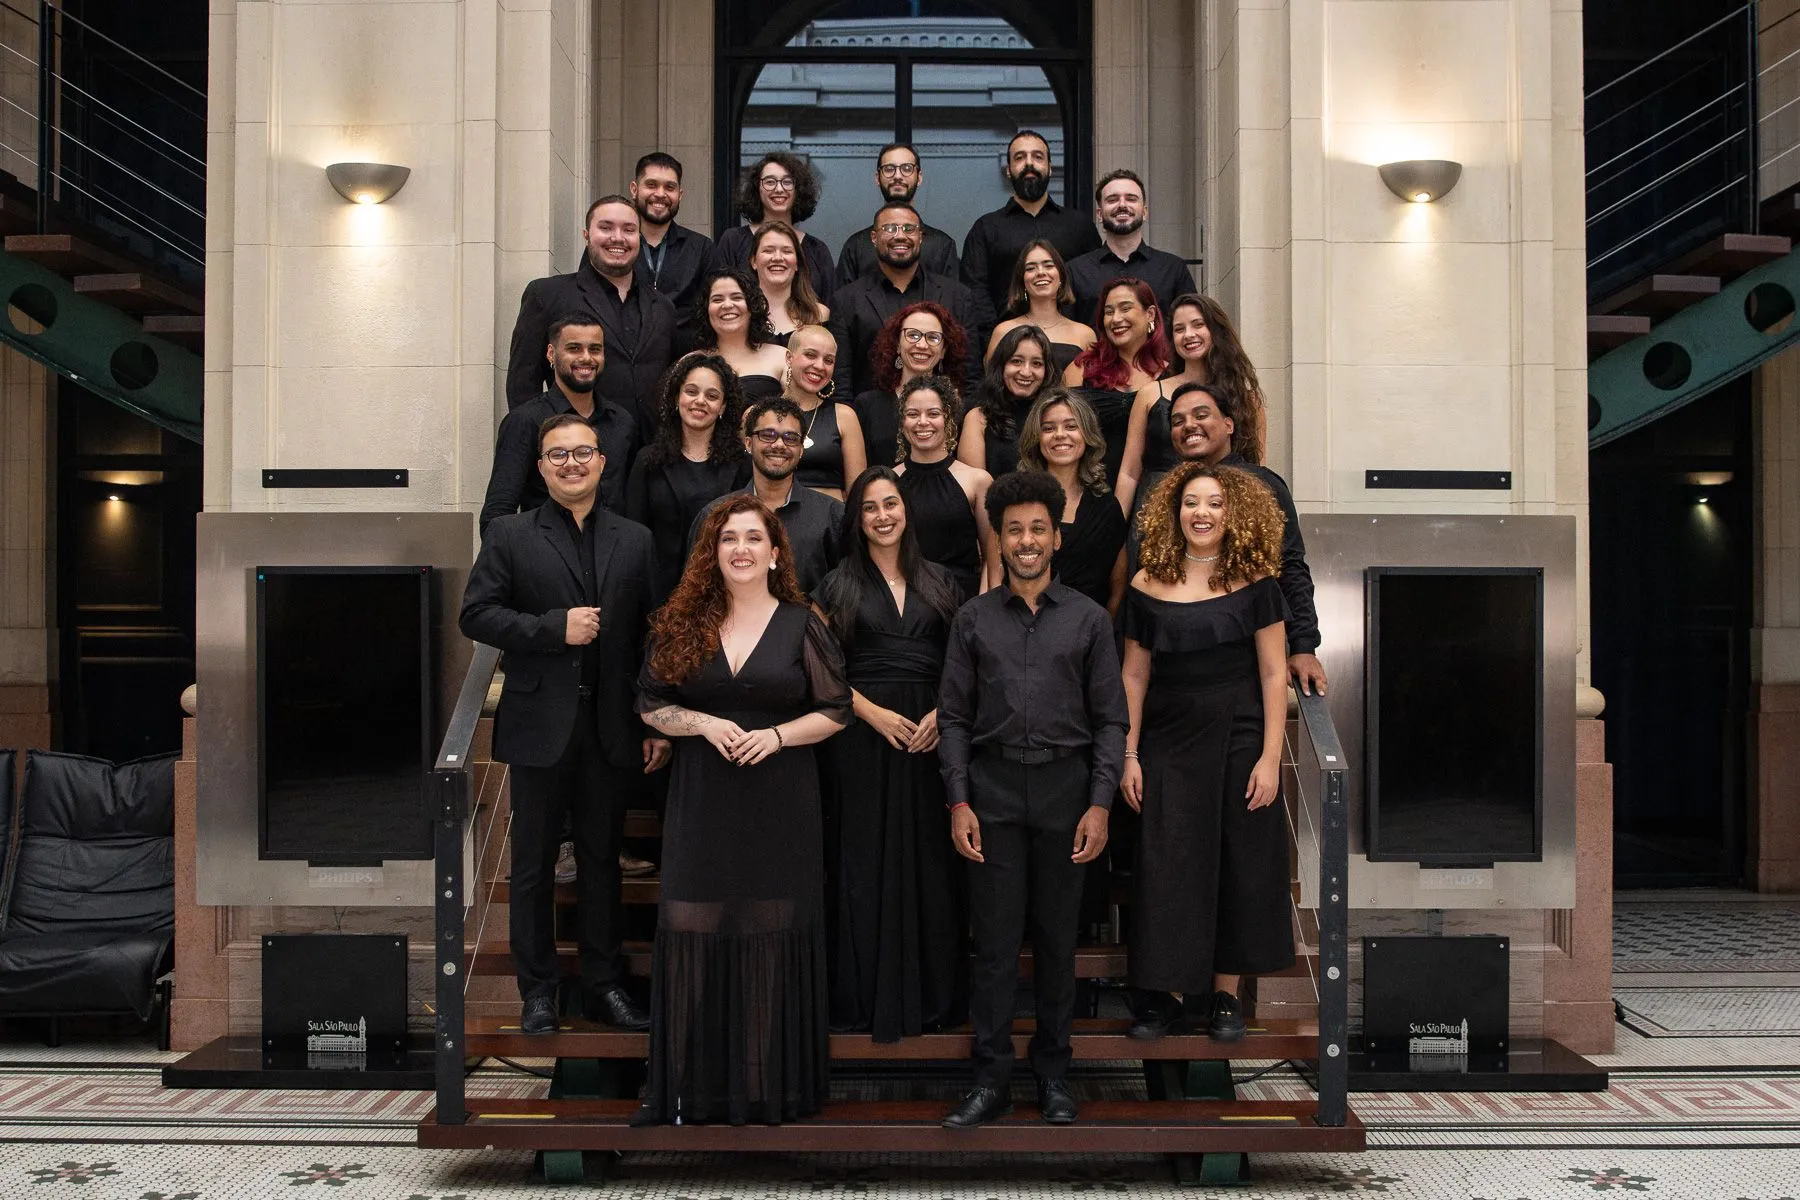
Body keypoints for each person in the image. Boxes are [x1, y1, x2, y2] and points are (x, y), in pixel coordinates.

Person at [635, 495, 852, 1124]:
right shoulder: (683, 620)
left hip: (780, 798)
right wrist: (703, 723)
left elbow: (836, 710)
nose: (741, 549)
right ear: (712, 551)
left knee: (768, 938)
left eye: (754, 538)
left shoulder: (802, 622)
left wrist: (778, 736)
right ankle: (678, 1089)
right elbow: (650, 702)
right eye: (728, 538)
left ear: (776, 552)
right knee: (691, 929)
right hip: (703, 798)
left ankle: (762, 1090)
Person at [459, 413, 665, 1036]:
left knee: (601, 861)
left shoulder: (635, 539)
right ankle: (538, 992)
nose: (571, 464)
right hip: (538, 726)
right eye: (557, 455)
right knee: (533, 866)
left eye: (582, 453)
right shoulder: (510, 535)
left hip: (611, 727)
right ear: (541, 468)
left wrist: (654, 717)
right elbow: (476, 614)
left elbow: (653, 634)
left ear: (602, 461)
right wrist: (554, 628)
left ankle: (604, 986)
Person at [937, 469, 1129, 1130]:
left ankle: (1053, 1076)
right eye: (1014, 529)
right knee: (993, 947)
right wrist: (959, 801)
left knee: (1056, 944)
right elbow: (953, 717)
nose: (1025, 540)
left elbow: (1111, 719)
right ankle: (989, 1080)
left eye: (1037, 529)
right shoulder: (972, 619)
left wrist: (1099, 804)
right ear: (999, 538)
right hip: (990, 793)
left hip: (1066, 795)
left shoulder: (1089, 620)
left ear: (1056, 538)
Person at [1119, 463, 1294, 1041]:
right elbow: (1134, 676)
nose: (1201, 513)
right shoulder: (1147, 581)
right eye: (1191, 502)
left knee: (1238, 865)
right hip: (1167, 740)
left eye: (1214, 503)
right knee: (1168, 866)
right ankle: (1166, 996)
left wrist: (1270, 758)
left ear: (1232, 512)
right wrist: (1129, 754)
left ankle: (1225, 998)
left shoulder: (1258, 581)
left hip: (1239, 737)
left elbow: (1273, 674)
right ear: (1174, 512)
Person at [817, 467, 967, 1042]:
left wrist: (944, 713)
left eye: (891, 504)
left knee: (931, 862)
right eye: (870, 508)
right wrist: (872, 714)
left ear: (907, 511)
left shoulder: (943, 581)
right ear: (857, 519)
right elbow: (820, 668)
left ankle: (933, 1000)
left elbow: (964, 661)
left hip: (931, 739)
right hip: (861, 739)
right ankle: (862, 1000)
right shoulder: (836, 584)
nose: (883, 516)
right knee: (862, 860)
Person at [1166, 382, 1326, 696]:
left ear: (1229, 425)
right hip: (1181, 655)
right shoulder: (1169, 494)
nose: (1189, 425)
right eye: (1177, 421)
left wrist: (1304, 646)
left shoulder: (1264, 484)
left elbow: (1291, 566)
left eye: (1201, 415)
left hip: (1250, 656)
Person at [505, 196, 677, 441]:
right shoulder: (546, 295)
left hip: (653, 452)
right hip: (578, 453)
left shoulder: (663, 307)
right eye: (606, 227)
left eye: (628, 229)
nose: (617, 237)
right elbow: (523, 384)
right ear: (586, 235)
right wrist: (544, 447)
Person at [481, 314, 638, 536]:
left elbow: (631, 506)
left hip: (610, 552)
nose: (586, 358)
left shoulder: (622, 422)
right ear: (551, 354)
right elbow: (498, 512)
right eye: (574, 348)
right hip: (544, 551)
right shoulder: (525, 421)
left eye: (595, 349)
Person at [1116, 294, 1267, 515]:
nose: (1188, 335)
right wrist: (1114, 528)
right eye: (1179, 329)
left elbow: (1257, 469)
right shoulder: (1150, 394)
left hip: (1222, 511)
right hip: (1154, 513)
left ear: (1216, 330)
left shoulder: (1247, 400)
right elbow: (1129, 472)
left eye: (1198, 325)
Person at [624, 352, 752, 603]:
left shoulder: (741, 464)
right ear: (676, 397)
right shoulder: (647, 461)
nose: (700, 401)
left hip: (723, 594)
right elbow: (633, 533)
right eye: (691, 392)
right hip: (657, 595)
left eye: (712, 396)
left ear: (723, 407)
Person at [828, 202, 990, 398]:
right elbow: (841, 381)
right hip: (868, 415)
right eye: (890, 228)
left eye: (909, 229)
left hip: (942, 414)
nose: (900, 236)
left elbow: (970, 377)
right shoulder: (846, 300)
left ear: (921, 237)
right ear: (874, 237)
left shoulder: (957, 296)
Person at [692, 396, 844, 598]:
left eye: (790, 438)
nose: (779, 444)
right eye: (768, 435)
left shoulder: (832, 516)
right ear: (748, 443)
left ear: (801, 450)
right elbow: (695, 592)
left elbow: (845, 592)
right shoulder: (715, 515)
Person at [961, 130, 1101, 320]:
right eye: (1020, 157)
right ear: (1008, 170)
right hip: (1006, 335)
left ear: (1050, 168)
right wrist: (995, 334)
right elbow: (975, 290)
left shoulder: (1079, 226)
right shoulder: (985, 228)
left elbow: (1093, 285)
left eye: (1038, 157)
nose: (1029, 163)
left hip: (1072, 335)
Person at [1017, 390, 1126, 614]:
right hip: (1022, 622)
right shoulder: (1016, 501)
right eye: (1048, 428)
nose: (1060, 435)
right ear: (1036, 438)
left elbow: (1117, 589)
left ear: (1087, 434)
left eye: (1071, 426)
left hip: (1088, 626)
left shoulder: (1106, 507)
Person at [892, 376, 996, 599]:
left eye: (933, 414)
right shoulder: (889, 482)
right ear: (902, 422)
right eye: (913, 414)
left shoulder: (977, 481)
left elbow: (992, 557)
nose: (922, 422)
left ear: (948, 419)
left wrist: (983, 608)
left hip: (963, 603)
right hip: (907, 603)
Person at [1063, 277, 1170, 489]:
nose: (1116, 319)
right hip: (1091, 490)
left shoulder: (1171, 373)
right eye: (1109, 311)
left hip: (1155, 491)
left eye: (1125, 308)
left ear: (1150, 314)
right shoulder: (1081, 369)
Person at [1066, 170, 1197, 331]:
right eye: (1112, 200)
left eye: (1131, 199)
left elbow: (1190, 325)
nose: (1122, 205)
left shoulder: (1173, 268)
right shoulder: (1075, 271)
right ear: (1099, 214)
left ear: (1144, 212)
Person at [851, 301, 970, 469]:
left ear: (943, 350)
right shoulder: (867, 405)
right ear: (897, 345)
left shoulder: (958, 407)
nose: (922, 345)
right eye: (913, 335)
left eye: (933, 337)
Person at [711, 152, 837, 305]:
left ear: (798, 189)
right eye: (770, 182)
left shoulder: (817, 250)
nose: (779, 189)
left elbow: (830, 307)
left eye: (787, 182)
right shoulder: (733, 241)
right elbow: (718, 297)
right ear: (757, 188)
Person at [836, 143, 961, 287]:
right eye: (889, 169)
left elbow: (952, 298)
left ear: (919, 177)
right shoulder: (855, 246)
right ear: (877, 178)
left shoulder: (942, 246)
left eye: (906, 168)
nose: (897, 176)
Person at [630, 152, 714, 351]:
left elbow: (712, 308)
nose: (660, 194)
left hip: (684, 360)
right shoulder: (614, 245)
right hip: (625, 357)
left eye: (669, 187)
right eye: (651, 185)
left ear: (680, 195)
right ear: (634, 189)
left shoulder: (701, 248)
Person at [984, 239, 1095, 377]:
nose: (1041, 272)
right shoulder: (1003, 331)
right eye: (1031, 268)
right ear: (1022, 281)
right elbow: (992, 386)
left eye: (1048, 266)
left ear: (1061, 276)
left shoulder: (1085, 335)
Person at [783, 324, 865, 500]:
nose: (820, 366)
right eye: (810, 355)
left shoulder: (844, 416)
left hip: (831, 514)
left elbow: (857, 493)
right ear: (789, 358)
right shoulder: (759, 414)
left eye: (828, 360)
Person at [960, 324, 1054, 477]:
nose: (1026, 372)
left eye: (1036, 363)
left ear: (1047, 371)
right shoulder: (978, 418)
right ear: (1001, 365)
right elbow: (973, 486)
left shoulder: (1056, 415)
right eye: (1016, 361)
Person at [689, 267, 787, 403]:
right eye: (717, 300)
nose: (727, 305)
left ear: (752, 306)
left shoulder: (782, 358)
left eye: (737, 297)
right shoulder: (691, 362)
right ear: (706, 310)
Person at [752, 221, 832, 343]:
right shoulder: (743, 315)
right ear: (753, 261)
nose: (778, 258)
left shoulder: (819, 315)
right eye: (768, 251)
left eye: (787, 251)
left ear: (797, 263)